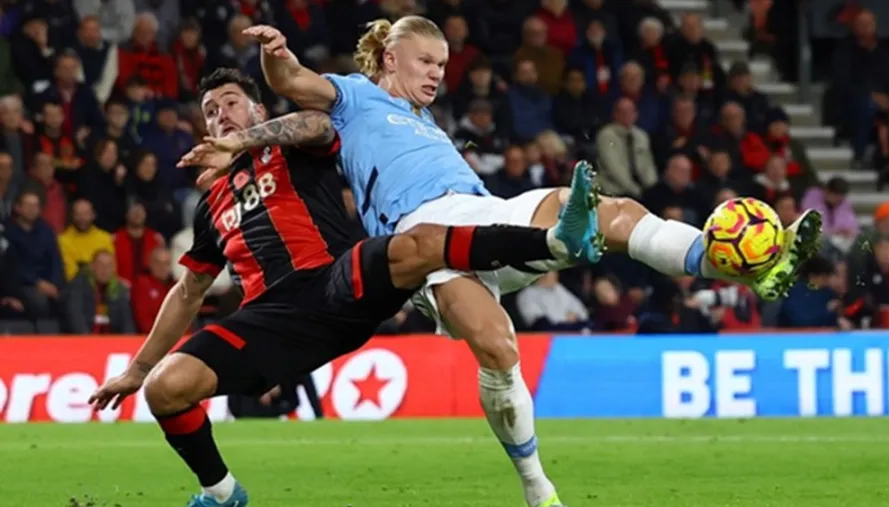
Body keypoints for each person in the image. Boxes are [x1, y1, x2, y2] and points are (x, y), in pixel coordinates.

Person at [200, 19, 822, 507]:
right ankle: (537, 489)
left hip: (488, 212)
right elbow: (292, 81)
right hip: (427, 238)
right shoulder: (356, 97)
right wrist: (275, 52)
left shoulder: (424, 120)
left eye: (442, 65)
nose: (437, 74)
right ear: (390, 58)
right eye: (425, 62)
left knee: (620, 211)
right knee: (498, 348)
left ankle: (744, 266)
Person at [87, 68, 601, 507]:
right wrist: (137, 370)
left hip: (336, 281)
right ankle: (222, 493)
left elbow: (319, 124)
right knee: (166, 389)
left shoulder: (288, 147)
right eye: (210, 110)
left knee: (419, 243)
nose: (221, 114)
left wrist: (246, 140)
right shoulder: (210, 205)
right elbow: (189, 291)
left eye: (231, 103)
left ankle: (554, 241)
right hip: (271, 321)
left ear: (258, 110)